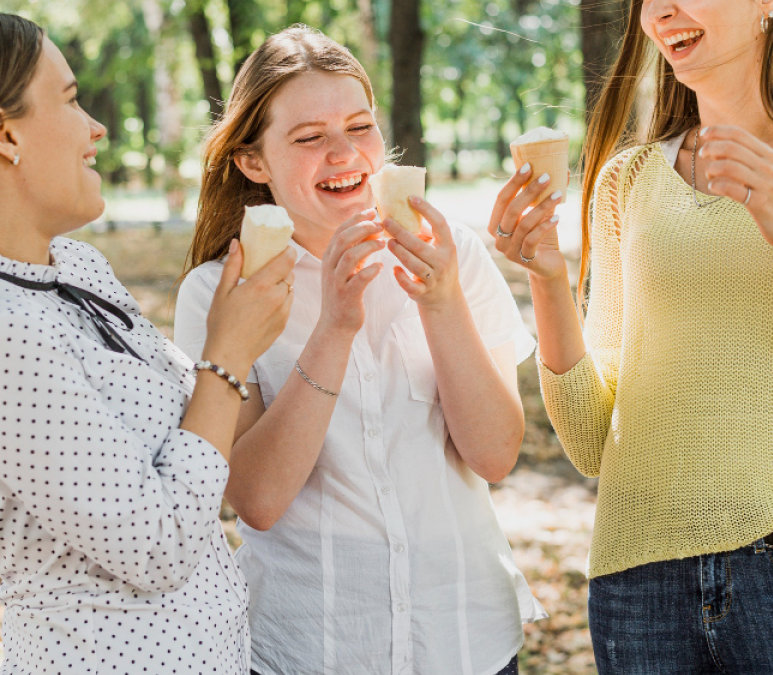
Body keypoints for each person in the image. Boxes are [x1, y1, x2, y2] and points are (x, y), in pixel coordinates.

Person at [489, 0, 773, 672]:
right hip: (640, 585)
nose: (662, 10)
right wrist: (547, 279)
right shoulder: (627, 181)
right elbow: (592, 441)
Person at [0, 13, 294, 674]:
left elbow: (190, 453)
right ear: (3, 133)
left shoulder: (74, 268)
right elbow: (158, 544)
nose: (97, 127)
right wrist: (228, 354)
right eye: (70, 99)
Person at [174, 26, 545, 675]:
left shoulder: (452, 256)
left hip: (468, 643)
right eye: (309, 137)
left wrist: (441, 302)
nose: (345, 154)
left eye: (359, 126)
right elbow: (256, 498)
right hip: (308, 648)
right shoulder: (218, 293)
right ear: (252, 161)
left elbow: (495, 453)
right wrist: (335, 326)